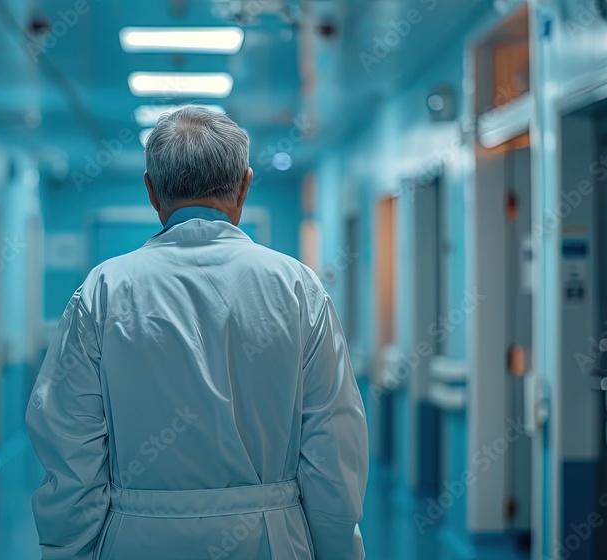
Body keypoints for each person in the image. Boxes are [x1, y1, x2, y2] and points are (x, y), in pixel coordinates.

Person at [26, 106, 368, 560]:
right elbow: (333, 451)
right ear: (245, 184)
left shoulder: (103, 291)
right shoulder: (297, 289)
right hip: (270, 540)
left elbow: (70, 451)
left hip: (136, 542)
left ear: (151, 191)